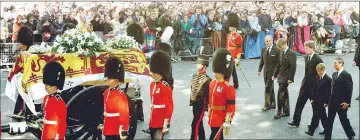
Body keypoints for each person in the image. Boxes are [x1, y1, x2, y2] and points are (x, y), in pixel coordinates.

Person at [288, 41, 323, 127]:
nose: (305, 50)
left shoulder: (318, 59)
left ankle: (314, 124)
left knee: (315, 106)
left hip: (313, 87)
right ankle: (296, 121)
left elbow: (320, 75)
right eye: (305, 48)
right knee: (299, 103)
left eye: (307, 48)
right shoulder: (306, 57)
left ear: (312, 48)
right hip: (305, 85)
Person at [102, 56, 137, 140]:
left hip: (116, 129)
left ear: (117, 80)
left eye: (109, 78)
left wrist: (123, 131)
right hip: (108, 128)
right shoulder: (107, 92)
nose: (107, 80)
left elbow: (124, 115)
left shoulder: (120, 95)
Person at [208, 48, 236, 140]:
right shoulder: (212, 83)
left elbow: (231, 105)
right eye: (215, 72)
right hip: (213, 115)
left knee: (215, 136)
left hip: (221, 116)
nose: (216, 74)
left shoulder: (228, 87)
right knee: (217, 137)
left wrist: (228, 119)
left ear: (224, 73)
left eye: (219, 72)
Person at [325, 57, 356, 140]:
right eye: (333, 63)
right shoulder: (334, 74)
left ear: (341, 63)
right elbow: (331, 89)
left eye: (336, 63)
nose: (334, 65)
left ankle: (351, 135)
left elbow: (349, 90)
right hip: (332, 101)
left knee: (343, 119)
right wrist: (327, 101)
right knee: (329, 120)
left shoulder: (346, 75)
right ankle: (327, 137)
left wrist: (347, 103)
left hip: (342, 103)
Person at [148, 50, 174, 140]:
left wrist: (166, 122)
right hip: (153, 120)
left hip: (161, 121)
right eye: (153, 72)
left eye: (156, 73)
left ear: (161, 72)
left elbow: (169, 106)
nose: (153, 75)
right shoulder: (152, 85)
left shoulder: (165, 87)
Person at [41, 61, 67, 139]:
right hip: (46, 131)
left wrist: (59, 136)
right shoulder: (46, 98)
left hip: (54, 133)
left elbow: (62, 123)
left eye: (48, 85)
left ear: (54, 86)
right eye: (45, 85)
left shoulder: (58, 101)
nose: (45, 87)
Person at [272, 38, 297, 119]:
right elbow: (278, 64)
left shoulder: (292, 53)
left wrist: (291, 78)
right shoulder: (281, 52)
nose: (279, 48)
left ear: (284, 44)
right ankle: (286, 111)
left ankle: (279, 112)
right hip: (280, 76)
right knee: (285, 94)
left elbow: (293, 67)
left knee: (280, 94)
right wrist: (275, 74)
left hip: (286, 77)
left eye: (280, 46)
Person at [305, 63, 331, 136]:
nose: (318, 73)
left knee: (316, 115)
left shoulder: (328, 79)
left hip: (322, 101)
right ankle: (327, 129)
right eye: (317, 71)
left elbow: (329, 92)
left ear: (323, 70)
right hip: (316, 99)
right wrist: (312, 98)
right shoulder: (317, 77)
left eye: (319, 71)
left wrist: (326, 102)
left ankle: (311, 131)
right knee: (323, 116)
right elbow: (314, 88)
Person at [190, 55, 212, 140]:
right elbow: (192, 90)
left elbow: (209, 96)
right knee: (199, 124)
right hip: (195, 104)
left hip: (202, 104)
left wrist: (208, 107)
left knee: (195, 124)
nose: (197, 65)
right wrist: (191, 101)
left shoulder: (208, 80)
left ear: (205, 66)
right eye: (197, 63)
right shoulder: (194, 76)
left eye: (200, 64)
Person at [126, 23, 145, 122]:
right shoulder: (139, 44)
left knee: (131, 92)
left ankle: (133, 114)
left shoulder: (131, 44)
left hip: (130, 70)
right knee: (135, 92)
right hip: (136, 71)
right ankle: (139, 114)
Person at [257, 35, 280, 111]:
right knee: (270, 88)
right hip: (265, 72)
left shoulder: (276, 50)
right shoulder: (263, 49)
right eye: (266, 41)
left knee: (267, 88)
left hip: (273, 73)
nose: (268, 42)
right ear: (265, 42)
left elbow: (278, 63)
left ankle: (266, 105)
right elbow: (262, 61)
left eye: (269, 41)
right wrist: (259, 70)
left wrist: (276, 73)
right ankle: (273, 103)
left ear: (272, 40)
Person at [225, 12, 242, 89]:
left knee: (230, 69)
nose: (229, 27)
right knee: (231, 69)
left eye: (230, 26)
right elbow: (227, 46)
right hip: (228, 54)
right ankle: (235, 84)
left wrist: (237, 58)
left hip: (234, 55)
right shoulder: (228, 35)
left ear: (234, 27)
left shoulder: (238, 36)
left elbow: (239, 48)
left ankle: (229, 82)